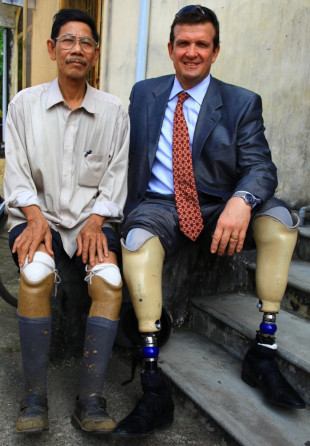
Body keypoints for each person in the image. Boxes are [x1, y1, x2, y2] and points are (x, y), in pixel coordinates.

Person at [114, 4, 305, 438]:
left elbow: (261, 168)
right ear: (170, 48)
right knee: (138, 237)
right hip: (160, 203)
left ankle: (264, 351)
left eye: (202, 44)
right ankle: (153, 382)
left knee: (279, 218)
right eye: (184, 43)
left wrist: (242, 198)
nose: (192, 52)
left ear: (216, 51)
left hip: (221, 203)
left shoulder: (240, 102)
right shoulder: (144, 93)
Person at [4, 8, 129, 434]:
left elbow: (116, 178)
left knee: (110, 282)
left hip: (92, 221)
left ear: (95, 53)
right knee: (37, 273)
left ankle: (89, 399)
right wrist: (34, 217)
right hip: (34, 215)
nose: (77, 49)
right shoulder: (24, 104)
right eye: (68, 41)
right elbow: (16, 173)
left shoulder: (114, 111)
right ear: (51, 48)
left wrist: (96, 221)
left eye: (86, 42)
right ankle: (34, 396)